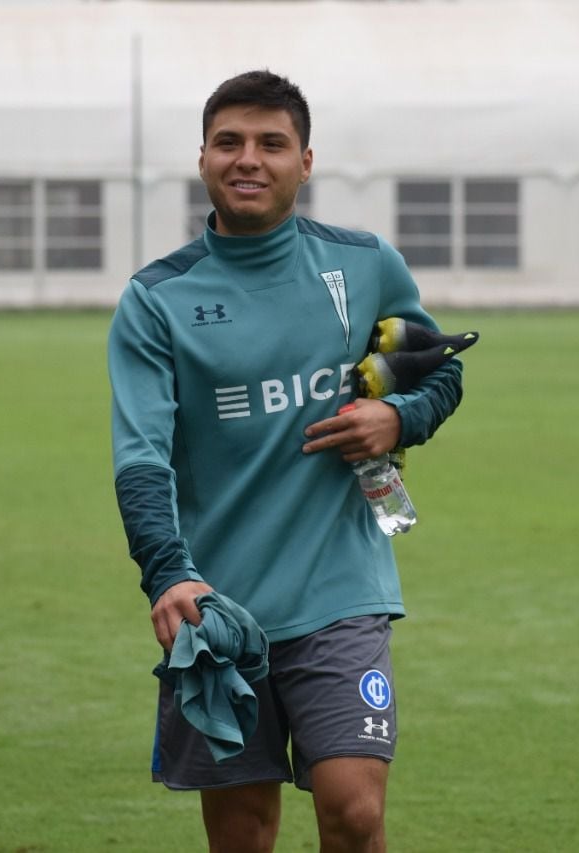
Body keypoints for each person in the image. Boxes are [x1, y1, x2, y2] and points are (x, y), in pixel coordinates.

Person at [107, 70, 464, 853]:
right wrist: (167, 572)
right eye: (229, 141)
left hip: (340, 591)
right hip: (219, 607)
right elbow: (139, 459)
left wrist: (395, 415)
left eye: (272, 143)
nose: (249, 159)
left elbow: (442, 369)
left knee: (355, 810)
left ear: (305, 162)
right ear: (202, 157)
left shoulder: (363, 264)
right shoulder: (155, 300)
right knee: (244, 833)